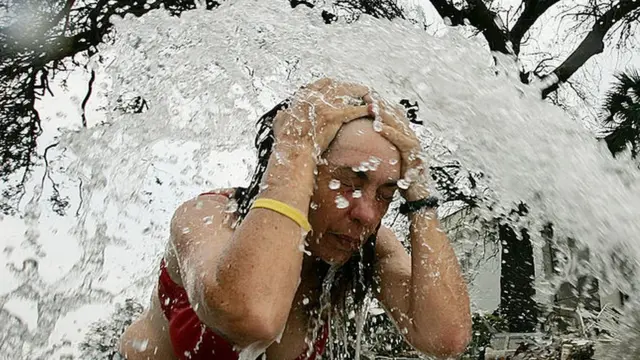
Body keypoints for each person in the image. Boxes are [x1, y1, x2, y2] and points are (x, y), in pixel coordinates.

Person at [118, 78, 472, 359]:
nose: (366, 214)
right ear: (303, 171)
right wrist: (295, 147)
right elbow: (253, 315)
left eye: (386, 194)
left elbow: (446, 337)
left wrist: (421, 196)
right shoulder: (209, 217)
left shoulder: (371, 248)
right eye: (349, 182)